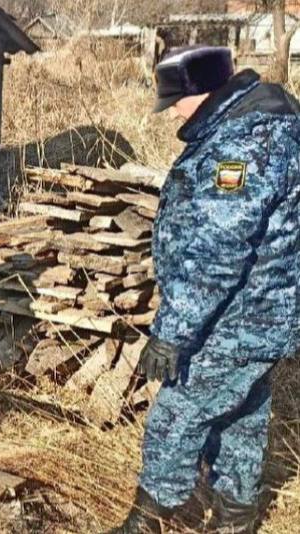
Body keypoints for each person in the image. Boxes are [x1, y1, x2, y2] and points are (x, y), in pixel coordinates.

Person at [109, 46, 300, 534]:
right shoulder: (261, 123)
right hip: (264, 317)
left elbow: (218, 251)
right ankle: (235, 523)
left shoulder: (244, 144)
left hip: (238, 319)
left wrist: (171, 333)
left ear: (204, 92)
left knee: (178, 413)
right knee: (242, 417)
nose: (172, 110)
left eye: (176, 100)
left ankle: (148, 521)